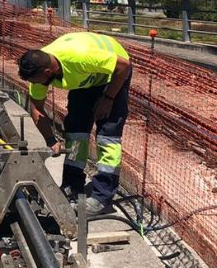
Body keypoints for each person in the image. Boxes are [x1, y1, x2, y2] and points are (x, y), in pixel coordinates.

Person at [17, 32, 132, 215]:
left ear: (48, 72)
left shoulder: (79, 57)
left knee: (107, 136)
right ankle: (72, 184)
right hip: (86, 78)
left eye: (38, 82)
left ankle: (102, 197)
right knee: (76, 132)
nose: (37, 85)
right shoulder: (39, 71)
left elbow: (123, 66)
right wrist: (50, 140)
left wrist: (108, 98)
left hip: (114, 72)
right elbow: (37, 110)